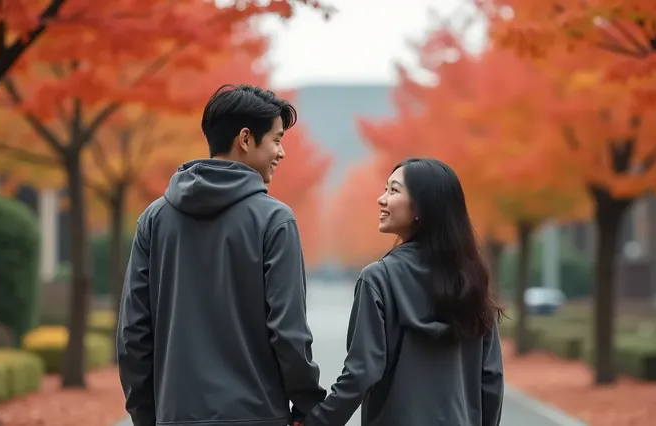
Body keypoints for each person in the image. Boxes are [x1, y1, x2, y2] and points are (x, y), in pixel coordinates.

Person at [116, 84, 327, 426]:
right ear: (245, 139)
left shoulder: (154, 219)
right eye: (276, 139)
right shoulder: (274, 221)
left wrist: (146, 415)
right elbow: (288, 333)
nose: (281, 152)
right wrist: (307, 405)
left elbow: (134, 334)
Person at [301, 158, 505, 426]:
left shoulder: (379, 278)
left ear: (421, 207)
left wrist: (318, 420)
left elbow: (361, 373)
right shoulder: (471, 280)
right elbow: (491, 378)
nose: (380, 199)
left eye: (393, 190)